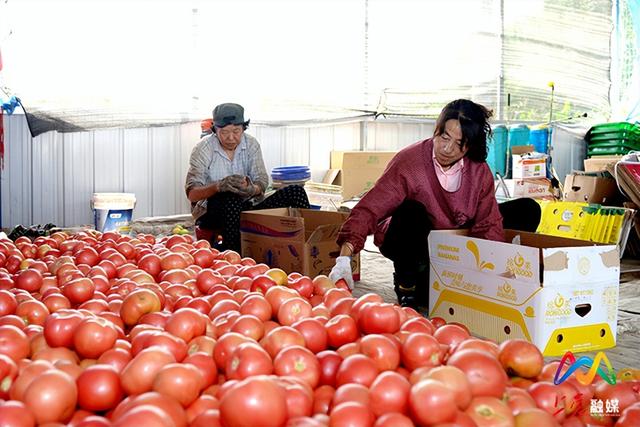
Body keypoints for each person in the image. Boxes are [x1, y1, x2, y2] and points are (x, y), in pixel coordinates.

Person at [329, 99, 541, 309]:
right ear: (436, 130)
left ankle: (454, 273)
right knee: (411, 212)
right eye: (444, 136)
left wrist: (489, 278)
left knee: (527, 209)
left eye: (459, 143)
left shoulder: (478, 170)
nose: (447, 148)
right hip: (416, 241)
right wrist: (344, 259)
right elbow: (371, 207)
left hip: (456, 242)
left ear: (470, 145)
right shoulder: (409, 162)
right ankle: (407, 285)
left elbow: (488, 224)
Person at [185, 102, 310, 252]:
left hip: (247, 208)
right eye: (224, 132)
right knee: (230, 198)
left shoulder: (251, 144)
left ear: (244, 128)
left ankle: (310, 247)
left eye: (236, 131)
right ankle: (235, 257)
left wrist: (252, 189)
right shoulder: (203, 149)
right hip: (213, 213)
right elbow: (192, 194)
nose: (231, 138)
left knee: (296, 192)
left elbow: (262, 181)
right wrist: (218, 186)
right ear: (215, 130)